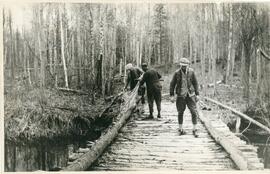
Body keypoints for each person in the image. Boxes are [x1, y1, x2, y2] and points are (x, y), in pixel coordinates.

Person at [169, 58, 200, 137]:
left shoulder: (191, 72)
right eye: (182, 66)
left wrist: (197, 94)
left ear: (188, 65)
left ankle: (195, 129)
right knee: (180, 112)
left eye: (185, 66)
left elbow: (195, 83)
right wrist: (172, 95)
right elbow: (172, 84)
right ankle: (180, 129)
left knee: (194, 111)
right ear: (180, 65)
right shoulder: (177, 73)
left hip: (190, 95)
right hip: (180, 95)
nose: (184, 67)